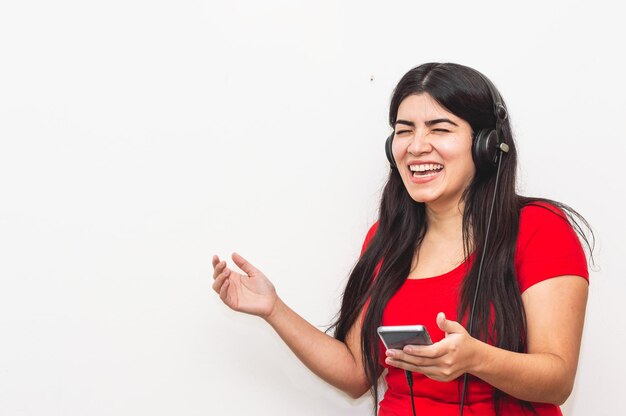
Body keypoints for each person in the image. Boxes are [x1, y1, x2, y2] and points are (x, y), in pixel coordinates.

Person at [211, 63, 592, 416]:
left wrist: (475, 358)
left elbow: (557, 380)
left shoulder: (541, 229)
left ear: (486, 146)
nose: (415, 145)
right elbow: (357, 373)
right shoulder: (387, 238)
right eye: (404, 129)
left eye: (439, 129)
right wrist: (273, 309)